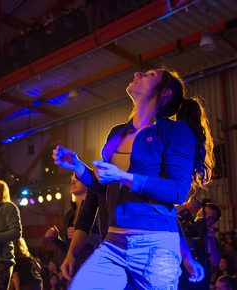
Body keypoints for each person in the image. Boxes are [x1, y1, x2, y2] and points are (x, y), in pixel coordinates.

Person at [53, 67, 215, 289]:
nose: (138, 73)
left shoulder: (175, 132)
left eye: (149, 75)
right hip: (113, 243)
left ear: (165, 92)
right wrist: (78, 167)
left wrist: (125, 176)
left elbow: (177, 191)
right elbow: (105, 189)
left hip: (155, 246)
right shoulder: (117, 133)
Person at [44, 174, 101, 274]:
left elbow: (104, 238)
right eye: (71, 180)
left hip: (94, 267)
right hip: (75, 270)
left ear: (87, 183)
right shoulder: (69, 215)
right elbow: (68, 250)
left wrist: (82, 236)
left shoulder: (97, 210)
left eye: (77, 180)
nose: (73, 182)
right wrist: (56, 239)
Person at [179, 197, 222, 289]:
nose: (206, 218)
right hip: (179, 278)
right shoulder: (185, 228)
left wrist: (210, 238)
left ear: (213, 222)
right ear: (198, 212)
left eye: (210, 218)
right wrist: (187, 206)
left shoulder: (211, 239)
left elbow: (215, 262)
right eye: (204, 214)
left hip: (200, 281)